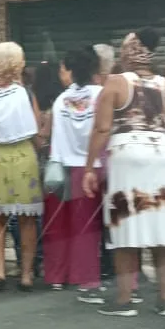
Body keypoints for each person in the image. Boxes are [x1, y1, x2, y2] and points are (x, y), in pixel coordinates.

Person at [84, 29, 165, 317]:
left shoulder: (115, 84)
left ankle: (124, 300)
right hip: (161, 154)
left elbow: (102, 128)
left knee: (125, 226)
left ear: (126, 54)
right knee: (162, 227)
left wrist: (89, 166)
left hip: (127, 154)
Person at [0, 42, 43, 292]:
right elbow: (36, 129)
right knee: (27, 218)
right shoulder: (25, 93)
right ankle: (26, 274)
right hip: (23, 153)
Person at [43, 46, 107, 298]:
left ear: (70, 70)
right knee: (86, 228)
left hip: (60, 167)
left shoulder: (60, 100)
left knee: (58, 226)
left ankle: (56, 275)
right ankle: (85, 277)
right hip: (91, 168)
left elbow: (53, 134)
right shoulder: (101, 95)